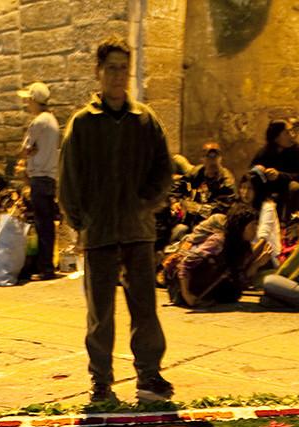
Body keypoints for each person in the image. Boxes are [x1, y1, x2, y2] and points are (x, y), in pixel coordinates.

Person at [61, 37, 173, 407]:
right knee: (100, 315)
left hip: (138, 232)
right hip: (100, 234)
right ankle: (101, 382)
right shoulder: (82, 124)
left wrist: (147, 203)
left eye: (123, 68)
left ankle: (149, 374)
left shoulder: (145, 120)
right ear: (98, 71)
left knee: (144, 308)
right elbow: (69, 179)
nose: (117, 75)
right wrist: (82, 220)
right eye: (111, 68)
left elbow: (163, 169)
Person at [18, 82, 63, 281]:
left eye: (28, 100)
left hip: (39, 176)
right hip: (50, 177)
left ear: (35, 100)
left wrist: (29, 153)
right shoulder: (52, 121)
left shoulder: (38, 123)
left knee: (42, 223)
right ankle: (47, 265)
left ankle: (45, 268)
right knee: (47, 224)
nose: (27, 104)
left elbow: (25, 149)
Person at [248, 119, 299, 216]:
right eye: (287, 133)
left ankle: (292, 222)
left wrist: (279, 175)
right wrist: (258, 169)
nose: (293, 135)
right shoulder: (266, 151)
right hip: (268, 188)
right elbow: (251, 169)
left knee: (295, 187)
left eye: (292, 131)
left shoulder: (297, 149)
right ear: (276, 137)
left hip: (286, 187)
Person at [185, 143, 237, 218]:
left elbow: (224, 205)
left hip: (214, 219)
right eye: (209, 157)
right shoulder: (197, 172)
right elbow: (178, 186)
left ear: (220, 158)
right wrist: (175, 201)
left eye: (215, 157)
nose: (213, 161)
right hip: (194, 215)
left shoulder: (226, 180)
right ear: (202, 159)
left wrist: (198, 208)